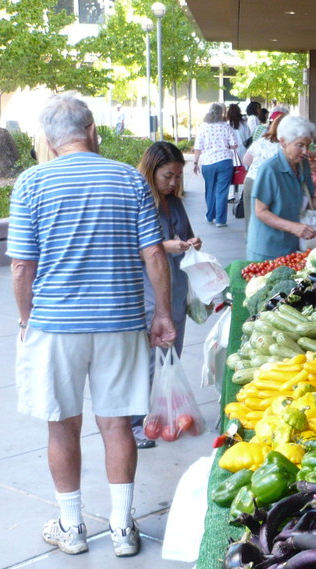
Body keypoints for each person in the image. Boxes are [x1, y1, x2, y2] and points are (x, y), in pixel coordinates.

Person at [7, 93, 175, 557]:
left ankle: (72, 526)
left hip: (55, 325)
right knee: (117, 423)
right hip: (120, 321)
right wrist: (162, 313)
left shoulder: (31, 183)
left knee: (61, 426)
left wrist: (26, 318)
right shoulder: (128, 179)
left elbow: (22, 266)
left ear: (47, 140)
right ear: (93, 130)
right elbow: (155, 253)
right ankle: (122, 528)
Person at [130, 141, 202, 448]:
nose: (173, 183)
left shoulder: (174, 202)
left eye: (177, 177)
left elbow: (183, 234)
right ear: (151, 171)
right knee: (148, 359)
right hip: (149, 294)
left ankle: (163, 414)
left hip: (177, 290)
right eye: (167, 177)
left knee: (170, 356)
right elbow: (130, 248)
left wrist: (191, 242)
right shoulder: (137, 201)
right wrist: (164, 248)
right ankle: (136, 422)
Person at [247, 115, 316, 261]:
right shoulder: (269, 169)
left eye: (308, 145)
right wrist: (294, 227)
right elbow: (261, 212)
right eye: (299, 145)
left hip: (293, 245)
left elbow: (308, 201)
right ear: (283, 142)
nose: (305, 151)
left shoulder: (303, 165)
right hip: (267, 247)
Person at [193, 103, 238, 228]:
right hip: (225, 161)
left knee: (210, 190)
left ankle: (210, 216)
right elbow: (234, 145)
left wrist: (195, 162)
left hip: (208, 163)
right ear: (221, 113)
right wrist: (224, 146)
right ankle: (220, 220)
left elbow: (198, 148)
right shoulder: (226, 127)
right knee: (222, 191)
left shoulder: (203, 127)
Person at [241, 112, 287, 230]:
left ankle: (250, 244)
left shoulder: (261, 140)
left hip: (251, 181)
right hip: (267, 184)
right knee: (267, 220)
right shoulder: (284, 146)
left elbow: (246, 160)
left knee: (250, 219)